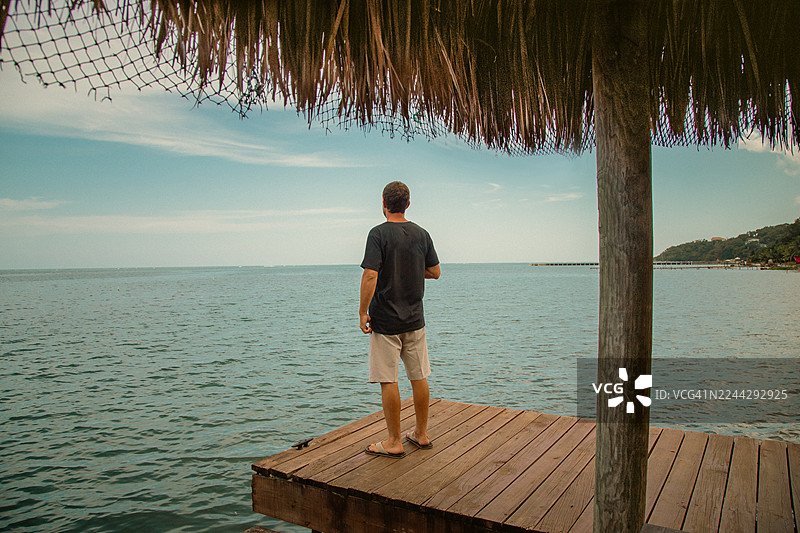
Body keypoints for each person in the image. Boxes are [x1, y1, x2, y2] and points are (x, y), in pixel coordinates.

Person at [359, 181, 440, 458]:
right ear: (407, 203)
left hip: (386, 321)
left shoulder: (378, 234)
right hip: (415, 319)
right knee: (419, 376)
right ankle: (421, 433)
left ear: (383, 203)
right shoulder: (422, 234)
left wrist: (362, 312)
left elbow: (370, 275)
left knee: (388, 379)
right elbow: (435, 271)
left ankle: (394, 441)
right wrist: (412, 270)